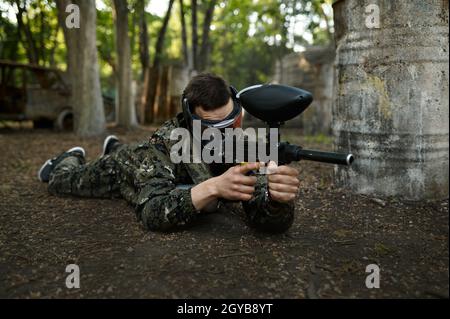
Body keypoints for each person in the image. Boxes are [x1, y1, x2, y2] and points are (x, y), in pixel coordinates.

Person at [37, 73, 300, 233]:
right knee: (62, 182)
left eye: (232, 123)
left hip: (153, 164)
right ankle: (69, 157)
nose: (226, 134)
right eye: (213, 127)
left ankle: (114, 144)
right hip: (126, 168)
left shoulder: (240, 144)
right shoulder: (163, 146)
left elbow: (266, 218)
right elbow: (152, 211)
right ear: (191, 120)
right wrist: (213, 188)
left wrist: (277, 201)